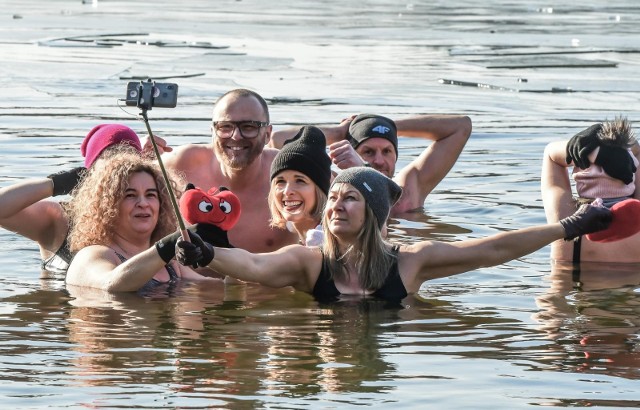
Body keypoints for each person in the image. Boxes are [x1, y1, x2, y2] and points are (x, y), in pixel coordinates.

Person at [175, 167, 612, 303]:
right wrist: (205, 252)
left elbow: (492, 250)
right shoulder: (309, 263)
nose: (335, 207)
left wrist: (569, 227)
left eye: (350, 199)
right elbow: (251, 265)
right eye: (333, 199)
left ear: (374, 214)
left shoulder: (410, 260)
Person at [162, 89, 298, 253]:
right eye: (225, 126)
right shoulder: (181, 163)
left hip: (261, 278)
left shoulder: (290, 173)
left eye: (249, 127)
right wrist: (138, 146)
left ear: (267, 134)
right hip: (185, 279)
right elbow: (131, 171)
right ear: (212, 132)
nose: (236, 136)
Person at [0, 124, 144, 273]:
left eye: (130, 165)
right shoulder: (60, 220)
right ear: (91, 174)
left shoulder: (153, 219)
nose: (120, 176)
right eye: (112, 166)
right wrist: (59, 183)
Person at [65, 151, 211, 292]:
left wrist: (212, 253)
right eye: (130, 195)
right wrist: (166, 247)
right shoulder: (91, 255)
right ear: (108, 206)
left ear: (162, 204)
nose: (143, 203)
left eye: (150, 195)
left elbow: (222, 288)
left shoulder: (172, 266)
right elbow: (109, 285)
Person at [270, 113, 472, 214]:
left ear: (396, 155)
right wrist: (340, 132)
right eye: (367, 152)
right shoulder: (329, 186)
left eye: (387, 151)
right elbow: (278, 140)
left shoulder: (409, 191)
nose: (378, 160)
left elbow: (461, 126)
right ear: (349, 153)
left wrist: (382, 124)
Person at [542, 117, 640, 265]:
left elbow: (551, 154)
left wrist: (594, 149)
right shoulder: (637, 223)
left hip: (574, 285)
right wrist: (616, 144)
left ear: (582, 180)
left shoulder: (566, 223)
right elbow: (637, 150)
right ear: (629, 175)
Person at [268, 125, 332, 246]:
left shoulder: (323, 239)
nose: (287, 191)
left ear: (320, 189)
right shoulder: (297, 229)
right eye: (280, 181)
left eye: (300, 181)